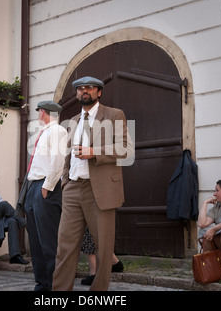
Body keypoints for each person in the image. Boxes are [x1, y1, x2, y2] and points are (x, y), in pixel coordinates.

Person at [52, 76, 134, 291]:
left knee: (104, 250)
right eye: (79, 88)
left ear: (99, 92)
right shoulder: (73, 121)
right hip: (73, 189)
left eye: (89, 87)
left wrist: (94, 152)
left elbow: (127, 149)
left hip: (101, 190)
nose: (84, 91)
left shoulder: (114, 115)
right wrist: (65, 182)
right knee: (65, 247)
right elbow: (68, 156)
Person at [22, 100, 67, 291]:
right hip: (34, 186)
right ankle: (42, 283)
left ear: (44, 112)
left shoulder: (57, 131)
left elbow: (58, 161)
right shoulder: (45, 132)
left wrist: (47, 186)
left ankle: (54, 283)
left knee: (48, 239)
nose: (38, 113)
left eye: (39, 110)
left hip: (46, 186)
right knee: (35, 239)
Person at [198, 179, 221, 262]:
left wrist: (214, 228)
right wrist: (204, 203)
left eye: (217, 190)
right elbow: (202, 224)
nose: (214, 194)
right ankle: (212, 265)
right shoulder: (218, 208)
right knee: (204, 232)